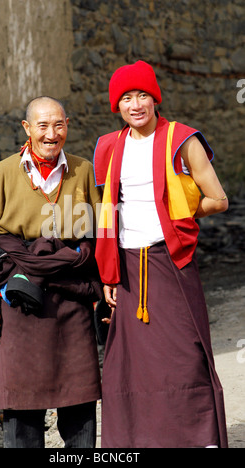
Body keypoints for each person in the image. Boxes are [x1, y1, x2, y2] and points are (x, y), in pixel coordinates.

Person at [93, 61, 229, 448]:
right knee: (130, 364)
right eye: (125, 98)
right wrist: (108, 273)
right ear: (116, 105)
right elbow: (107, 211)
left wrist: (180, 211)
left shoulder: (181, 139)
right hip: (128, 267)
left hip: (171, 261)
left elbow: (218, 199)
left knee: (185, 353)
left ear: (155, 98)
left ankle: (199, 438)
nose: (135, 104)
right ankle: (140, 442)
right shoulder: (108, 146)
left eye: (142, 96)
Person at [0, 96, 102, 448]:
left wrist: (106, 287)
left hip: (70, 298)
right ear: (27, 129)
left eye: (58, 125)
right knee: (21, 404)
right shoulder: (4, 171)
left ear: (68, 126)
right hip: (19, 296)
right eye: (42, 126)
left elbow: (99, 233)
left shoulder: (83, 169)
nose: (51, 134)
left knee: (78, 400)